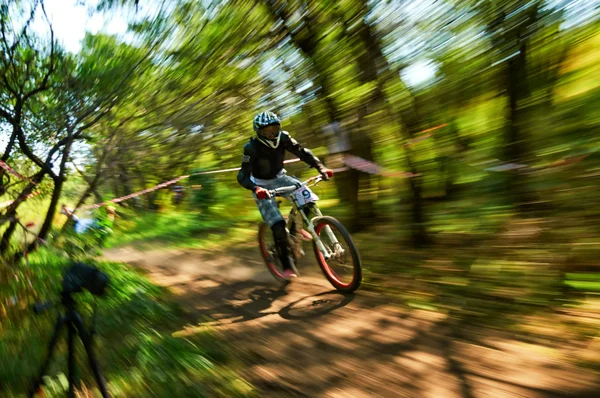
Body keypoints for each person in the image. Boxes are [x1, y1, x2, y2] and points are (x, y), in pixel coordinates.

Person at [237, 111, 334, 280]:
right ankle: (287, 265)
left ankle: (298, 227)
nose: (272, 134)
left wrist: (321, 167)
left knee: (308, 201)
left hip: (280, 178)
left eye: (275, 129)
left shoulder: (284, 138)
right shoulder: (250, 148)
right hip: (260, 184)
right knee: (278, 226)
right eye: (267, 131)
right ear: (259, 132)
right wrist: (256, 188)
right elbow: (242, 176)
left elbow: (302, 152)